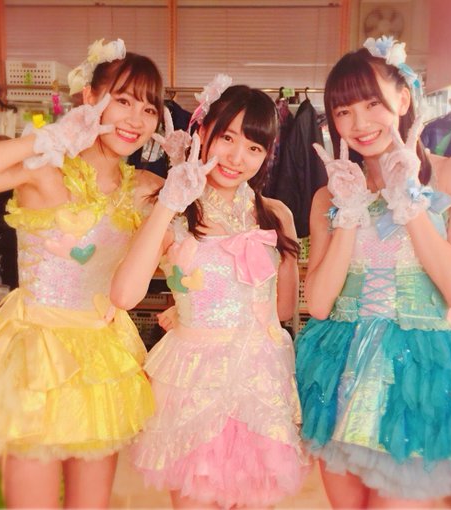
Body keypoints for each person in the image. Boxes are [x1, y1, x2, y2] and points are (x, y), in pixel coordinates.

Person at [0, 39, 163, 508]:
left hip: (101, 363)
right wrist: (42, 138)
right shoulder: (45, 169)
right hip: (34, 357)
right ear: (89, 98)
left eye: (149, 109)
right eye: (123, 100)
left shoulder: (147, 188)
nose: (136, 119)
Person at [294, 36, 451, 507]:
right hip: (339, 369)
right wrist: (349, 209)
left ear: (404, 99)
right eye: (344, 111)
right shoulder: (329, 194)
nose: (359, 123)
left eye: (372, 103)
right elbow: (320, 304)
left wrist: (409, 199)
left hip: (417, 374)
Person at [110, 79, 309, 508]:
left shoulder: (277, 214)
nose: (237, 158)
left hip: (261, 379)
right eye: (227, 138)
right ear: (202, 132)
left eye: (254, 147)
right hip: (194, 380)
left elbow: (283, 309)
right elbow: (124, 294)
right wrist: (168, 202)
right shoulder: (174, 210)